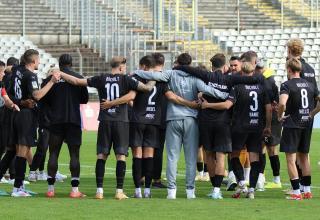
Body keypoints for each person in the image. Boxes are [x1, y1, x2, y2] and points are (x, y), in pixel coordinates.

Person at [57, 56, 156, 200]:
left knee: (101, 156)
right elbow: (147, 88)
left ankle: (99, 191)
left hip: (104, 121)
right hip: (121, 121)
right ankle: (119, 191)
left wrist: (60, 73)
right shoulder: (126, 79)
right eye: (125, 67)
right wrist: (155, 76)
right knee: (120, 156)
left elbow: (77, 81)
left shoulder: (101, 78)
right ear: (121, 67)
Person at [133, 53, 231, 199]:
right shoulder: (195, 78)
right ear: (190, 64)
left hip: (173, 118)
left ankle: (171, 191)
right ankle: (190, 191)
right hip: (191, 120)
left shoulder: (171, 74)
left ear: (178, 62)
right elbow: (208, 90)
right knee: (191, 158)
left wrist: (136, 72)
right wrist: (224, 96)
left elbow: (153, 75)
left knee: (172, 157)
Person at [175, 53, 264, 199]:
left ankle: (214, 188)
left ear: (212, 66)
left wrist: (178, 67)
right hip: (223, 122)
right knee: (221, 156)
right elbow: (251, 78)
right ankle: (217, 190)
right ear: (225, 66)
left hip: (205, 121)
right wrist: (261, 77)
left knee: (209, 154)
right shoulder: (230, 79)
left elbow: (190, 70)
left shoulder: (206, 76)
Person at [200, 61, 272, 199]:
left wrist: (208, 104)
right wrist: (267, 126)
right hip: (257, 126)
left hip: (240, 126)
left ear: (242, 73)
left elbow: (227, 105)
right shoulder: (262, 88)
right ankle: (251, 189)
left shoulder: (237, 87)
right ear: (253, 72)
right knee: (254, 157)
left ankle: (242, 184)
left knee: (234, 155)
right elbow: (268, 108)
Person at [10, 49, 60, 197]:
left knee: (21, 150)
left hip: (17, 112)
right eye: (38, 60)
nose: (39, 62)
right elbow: (37, 95)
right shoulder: (30, 75)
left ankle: (18, 186)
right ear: (32, 61)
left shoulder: (17, 71)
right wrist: (51, 81)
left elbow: (10, 90)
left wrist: (20, 101)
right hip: (26, 116)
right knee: (22, 151)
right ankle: (17, 188)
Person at [41, 54, 88, 198]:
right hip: (73, 120)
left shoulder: (51, 79)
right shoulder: (78, 77)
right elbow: (85, 100)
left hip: (56, 120)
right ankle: (74, 191)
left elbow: (44, 98)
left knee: (53, 153)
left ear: (59, 64)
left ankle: (50, 189)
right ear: (71, 63)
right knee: (74, 154)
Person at [278, 58, 319, 200]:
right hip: (306, 124)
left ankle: (296, 192)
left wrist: (279, 116)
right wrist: (311, 114)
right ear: (300, 69)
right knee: (304, 157)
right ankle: (307, 190)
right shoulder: (310, 84)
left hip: (292, 124)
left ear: (288, 69)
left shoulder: (286, 85)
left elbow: (282, 103)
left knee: (291, 159)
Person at [130, 55, 169, 198]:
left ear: (144, 66)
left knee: (137, 155)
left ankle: (137, 191)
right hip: (154, 121)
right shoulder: (162, 79)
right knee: (149, 155)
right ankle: (147, 190)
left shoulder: (136, 77)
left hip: (138, 119)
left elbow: (130, 97)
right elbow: (170, 96)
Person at [256, 61, 282, 189]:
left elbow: (273, 104)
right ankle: (264, 177)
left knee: (269, 149)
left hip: (270, 119)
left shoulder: (266, 83)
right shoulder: (270, 81)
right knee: (266, 148)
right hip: (269, 118)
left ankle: (274, 180)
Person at [151, 53, 167, 189]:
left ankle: (142, 177)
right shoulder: (167, 79)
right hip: (162, 118)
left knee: (144, 148)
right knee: (158, 150)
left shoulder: (144, 77)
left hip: (145, 117)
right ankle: (156, 179)